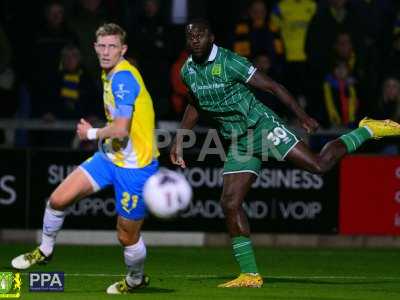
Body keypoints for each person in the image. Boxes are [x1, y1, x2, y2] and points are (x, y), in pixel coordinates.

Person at [170, 19, 400, 288]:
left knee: (319, 165)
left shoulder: (230, 61)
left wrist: (301, 116)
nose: (194, 39)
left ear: (211, 37)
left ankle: (367, 130)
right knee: (230, 203)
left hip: (262, 127)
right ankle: (250, 275)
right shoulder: (188, 71)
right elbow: (194, 104)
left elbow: (272, 87)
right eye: (190, 36)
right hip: (239, 141)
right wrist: (179, 139)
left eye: (200, 35)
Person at [11, 23, 159, 294]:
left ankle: (136, 278)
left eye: (112, 46)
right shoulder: (107, 73)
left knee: (126, 236)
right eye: (101, 46)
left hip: (136, 167)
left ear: (122, 49)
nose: (105, 51)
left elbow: (121, 128)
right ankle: (45, 250)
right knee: (57, 200)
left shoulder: (123, 78)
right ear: (94, 47)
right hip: (110, 156)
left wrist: (90, 132)